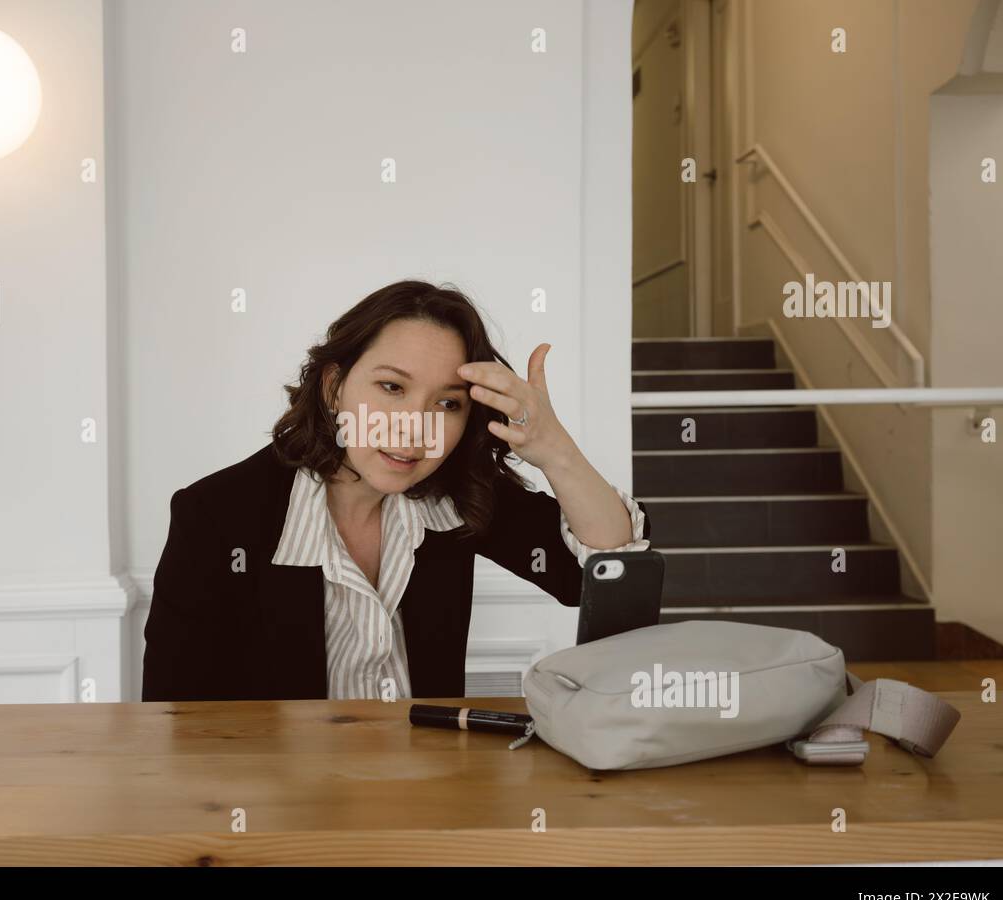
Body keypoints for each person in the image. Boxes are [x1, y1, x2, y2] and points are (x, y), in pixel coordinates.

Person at [141, 280, 649, 702]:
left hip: (426, 795)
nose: (413, 428)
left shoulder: (449, 495)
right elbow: (173, 717)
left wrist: (556, 450)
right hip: (283, 807)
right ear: (334, 386)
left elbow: (607, 577)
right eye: (392, 388)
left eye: (447, 404)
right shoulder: (215, 516)